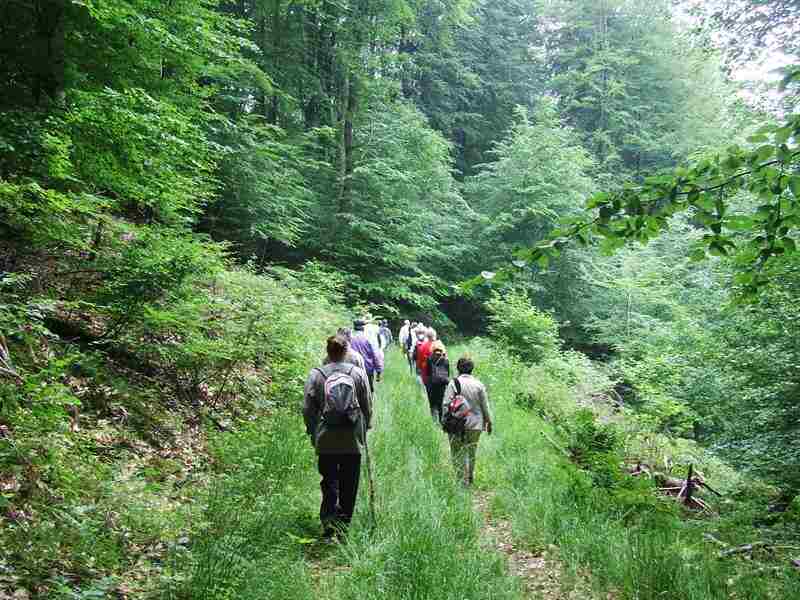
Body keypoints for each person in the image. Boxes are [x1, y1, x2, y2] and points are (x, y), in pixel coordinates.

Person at [303, 335, 372, 536]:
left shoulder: (316, 375)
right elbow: (367, 405)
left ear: (328, 351)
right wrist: (365, 427)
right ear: (345, 351)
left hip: (326, 438)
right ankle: (344, 524)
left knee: (329, 480)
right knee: (349, 482)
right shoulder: (357, 373)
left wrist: (313, 430)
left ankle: (328, 521)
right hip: (352, 437)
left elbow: (307, 409)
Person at [441, 356, 493, 486]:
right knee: (471, 451)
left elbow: (446, 404)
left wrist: (444, 422)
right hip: (476, 424)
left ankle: (460, 480)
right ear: (472, 369)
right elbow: (485, 406)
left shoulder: (454, 383)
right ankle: (469, 477)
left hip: (457, 424)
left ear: (458, 368)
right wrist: (489, 422)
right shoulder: (479, 384)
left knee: (457, 452)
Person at [350, 319, 384, 392]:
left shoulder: (349, 339)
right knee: (368, 391)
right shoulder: (368, 340)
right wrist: (378, 370)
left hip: (352, 369)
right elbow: (375, 355)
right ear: (363, 328)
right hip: (367, 368)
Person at [424, 340, 450, 422]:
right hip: (442, 385)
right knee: (441, 404)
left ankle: (433, 421)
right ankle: (441, 421)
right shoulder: (446, 360)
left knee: (432, 404)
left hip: (432, 385)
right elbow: (447, 374)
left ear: (432, 348)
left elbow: (427, 373)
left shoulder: (429, 358)